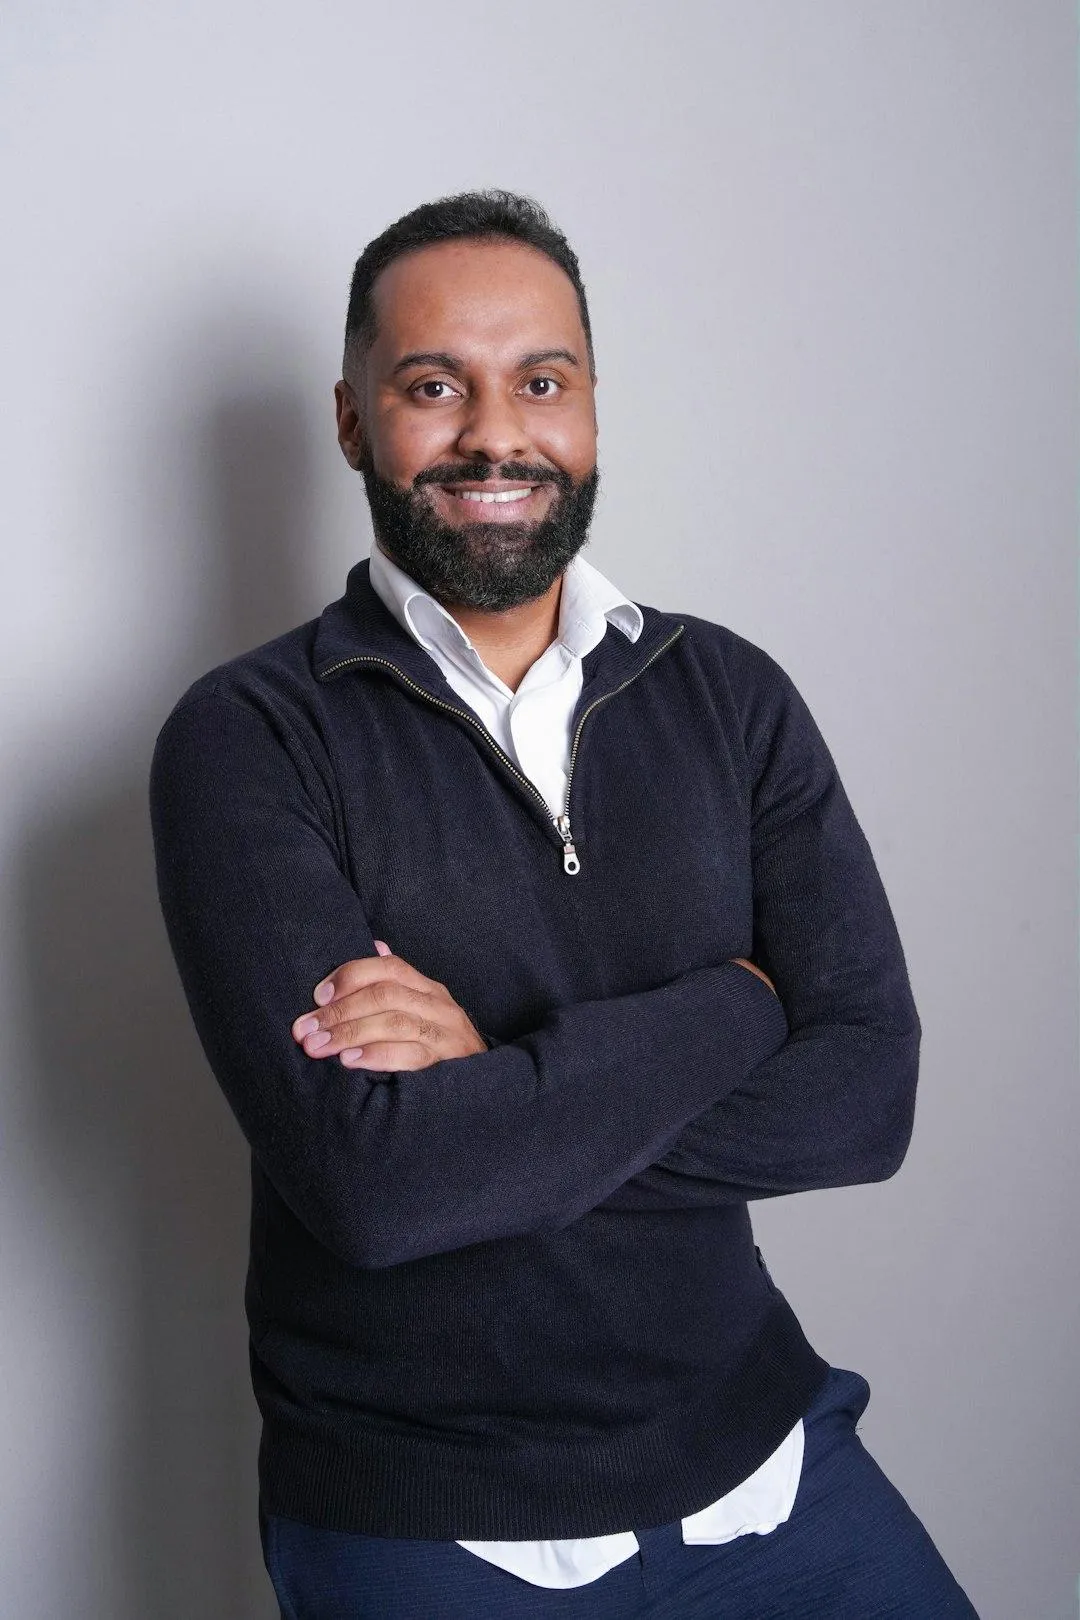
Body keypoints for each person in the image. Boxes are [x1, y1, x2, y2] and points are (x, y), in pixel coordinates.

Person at [149, 191, 980, 1618]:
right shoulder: (250, 736)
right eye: (433, 386)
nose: (496, 435)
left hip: (769, 1463)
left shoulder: (730, 697)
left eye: (541, 382)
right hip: (433, 1524)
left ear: (591, 408)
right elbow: (378, 1186)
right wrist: (738, 1007)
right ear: (351, 421)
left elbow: (866, 1099)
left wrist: (497, 1087)